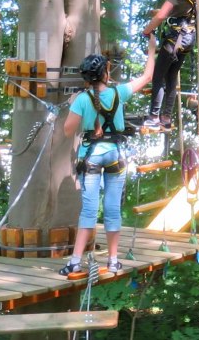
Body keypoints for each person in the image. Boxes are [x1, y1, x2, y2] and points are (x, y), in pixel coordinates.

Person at [59, 36, 157, 279]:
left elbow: (67, 130)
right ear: (105, 73)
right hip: (115, 154)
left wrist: (79, 108)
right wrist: (152, 49)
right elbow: (147, 77)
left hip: (90, 157)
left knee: (89, 211)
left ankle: (75, 262)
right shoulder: (118, 93)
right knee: (112, 209)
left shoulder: (81, 99)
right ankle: (113, 261)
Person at [142, 0, 199, 130]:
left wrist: (146, 31)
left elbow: (160, 16)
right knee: (171, 79)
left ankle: (154, 117)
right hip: (188, 38)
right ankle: (166, 118)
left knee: (158, 77)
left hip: (175, 40)